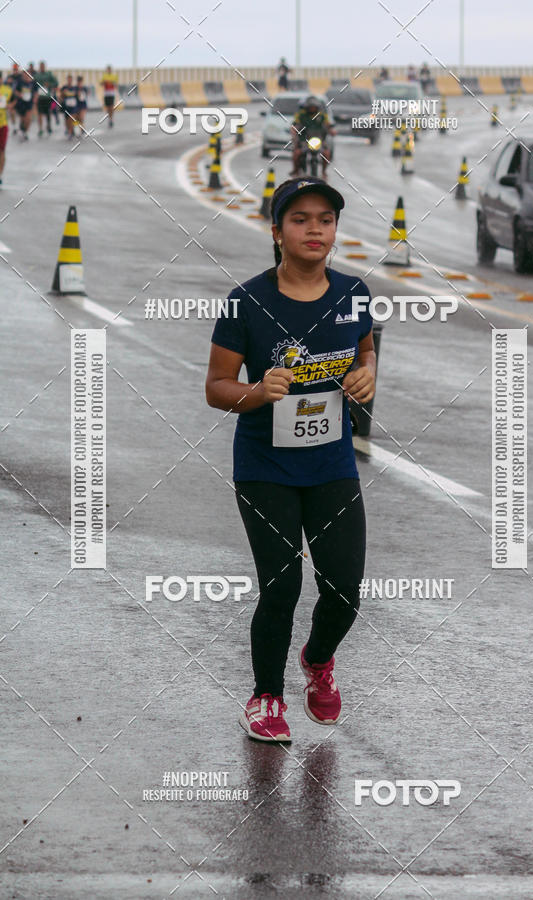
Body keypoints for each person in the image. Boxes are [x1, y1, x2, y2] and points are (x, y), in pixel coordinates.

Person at [206, 176, 376, 742]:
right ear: (277, 232)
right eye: (300, 220)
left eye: (325, 220)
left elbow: (365, 347)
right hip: (266, 466)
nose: (314, 230)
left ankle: (318, 659)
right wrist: (258, 392)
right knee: (282, 585)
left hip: (331, 463)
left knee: (345, 590)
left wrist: (367, 373)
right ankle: (266, 699)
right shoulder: (247, 301)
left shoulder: (353, 294)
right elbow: (216, 387)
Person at [290, 96, 335, 179]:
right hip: (304, 140)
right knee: (297, 153)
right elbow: (295, 125)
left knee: (326, 153)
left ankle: (324, 172)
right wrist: (294, 131)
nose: (312, 109)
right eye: (311, 107)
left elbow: (328, 125)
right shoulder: (301, 115)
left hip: (318, 140)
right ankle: (295, 170)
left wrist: (332, 131)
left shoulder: (322, 115)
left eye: (314, 107)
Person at [13, 63, 37, 141]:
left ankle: (25, 132)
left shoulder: (33, 82)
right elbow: (15, 91)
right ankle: (22, 130)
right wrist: (19, 94)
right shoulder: (19, 82)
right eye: (25, 74)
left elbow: (36, 92)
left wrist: (35, 99)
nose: (26, 75)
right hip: (21, 102)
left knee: (28, 118)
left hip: (29, 102)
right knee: (22, 119)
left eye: (28, 74)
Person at [0, 72, 16, 185]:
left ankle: (0, 174)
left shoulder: (7, 90)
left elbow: (14, 100)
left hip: (3, 125)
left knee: (1, 150)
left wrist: (10, 105)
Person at [36, 61, 58, 137]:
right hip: (40, 97)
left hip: (47, 97)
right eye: (41, 66)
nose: (42, 67)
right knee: (39, 114)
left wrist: (50, 84)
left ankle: (48, 126)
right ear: (39, 67)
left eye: (43, 66)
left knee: (48, 113)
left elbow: (56, 83)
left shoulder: (49, 74)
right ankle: (40, 129)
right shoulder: (37, 75)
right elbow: (33, 85)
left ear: (44, 67)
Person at [59, 74, 79, 140]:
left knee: (72, 118)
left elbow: (78, 96)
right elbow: (61, 96)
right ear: (67, 80)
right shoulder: (64, 87)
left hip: (74, 106)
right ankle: (69, 130)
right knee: (67, 120)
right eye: (68, 79)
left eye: (71, 79)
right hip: (66, 106)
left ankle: (71, 131)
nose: (69, 80)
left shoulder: (75, 88)